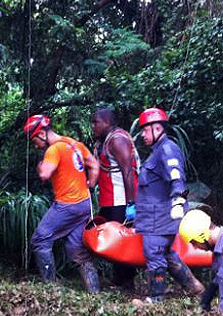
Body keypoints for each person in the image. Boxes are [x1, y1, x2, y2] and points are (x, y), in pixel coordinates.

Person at [23, 114, 100, 294]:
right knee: (76, 249)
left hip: (67, 205)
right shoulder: (74, 144)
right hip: (84, 205)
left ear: (42, 133)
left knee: (40, 239)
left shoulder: (54, 150)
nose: (35, 144)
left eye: (34, 139)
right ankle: (94, 293)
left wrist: (41, 163)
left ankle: (50, 290)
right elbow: (94, 166)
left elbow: (45, 174)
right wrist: (89, 185)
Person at [135, 108, 204, 303]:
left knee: (154, 251)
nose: (143, 135)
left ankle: (157, 298)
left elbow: (176, 176)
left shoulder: (166, 149)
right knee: (165, 252)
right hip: (152, 215)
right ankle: (193, 286)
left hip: (162, 215)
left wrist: (178, 200)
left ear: (157, 128)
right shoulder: (157, 151)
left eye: (145, 130)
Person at [91, 108, 140, 291]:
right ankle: (119, 279)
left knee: (122, 242)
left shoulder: (118, 140)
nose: (93, 126)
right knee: (111, 241)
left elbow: (128, 172)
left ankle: (127, 284)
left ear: (108, 122)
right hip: (108, 201)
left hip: (121, 201)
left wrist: (131, 205)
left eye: (97, 122)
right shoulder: (102, 142)